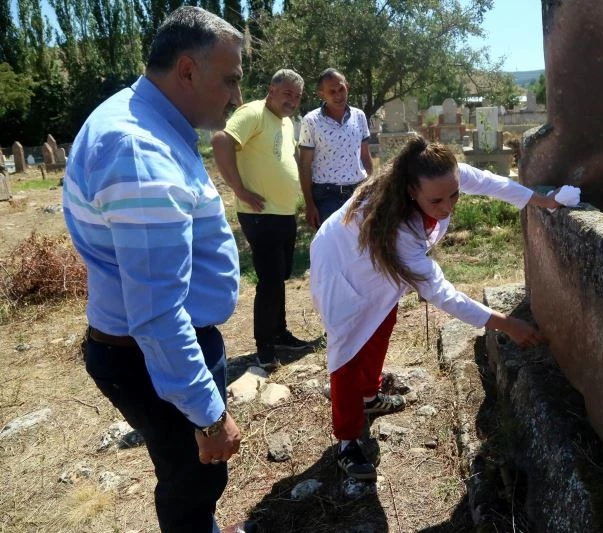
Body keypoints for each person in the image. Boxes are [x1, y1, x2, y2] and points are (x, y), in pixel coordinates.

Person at [62, 7, 243, 532]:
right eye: (230, 79)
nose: (236, 96)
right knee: (193, 480)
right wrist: (209, 415)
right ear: (187, 70)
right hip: (150, 353)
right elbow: (158, 311)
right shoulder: (140, 152)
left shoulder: (142, 122)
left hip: (149, 348)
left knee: (192, 479)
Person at [310, 136, 570, 481]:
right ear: (411, 192)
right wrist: (505, 323)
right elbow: (442, 294)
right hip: (340, 267)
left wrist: (541, 200)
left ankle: (370, 395)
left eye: (454, 195)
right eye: (436, 200)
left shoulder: (444, 177)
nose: (448, 207)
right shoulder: (400, 230)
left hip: (375, 262)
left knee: (382, 322)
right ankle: (347, 441)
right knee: (348, 351)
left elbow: (490, 182)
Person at [212, 69, 313, 365]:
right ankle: (265, 349)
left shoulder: (286, 122)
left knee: (279, 278)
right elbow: (220, 140)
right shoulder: (253, 112)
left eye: (297, 96)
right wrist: (238, 188)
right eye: (287, 93)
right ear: (272, 90)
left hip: (283, 212)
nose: (292, 101)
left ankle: (279, 333)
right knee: (269, 281)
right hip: (260, 215)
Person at [298, 68, 373, 229]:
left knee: (361, 240)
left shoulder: (359, 116)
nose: (338, 95)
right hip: (327, 196)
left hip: (359, 192)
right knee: (332, 242)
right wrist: (309, 204)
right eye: (332, 91)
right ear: (321, 94)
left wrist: (373, 190)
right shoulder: (311, 121)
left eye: (341, 89)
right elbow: (305, 164)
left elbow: (365, 156)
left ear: (347, 86)